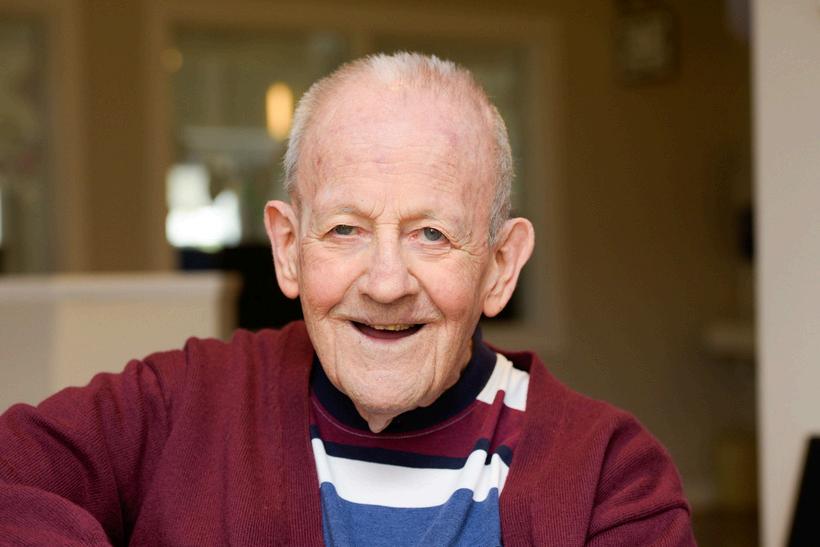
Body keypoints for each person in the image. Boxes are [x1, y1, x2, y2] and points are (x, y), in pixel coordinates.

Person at [0, 52, 695, 546]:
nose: (386, 283)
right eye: (345, 230)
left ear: (500, 265)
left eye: (431, 233)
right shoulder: (177, 405)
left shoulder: (611, 477)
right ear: (288, 248)